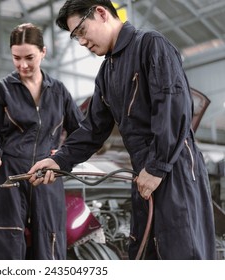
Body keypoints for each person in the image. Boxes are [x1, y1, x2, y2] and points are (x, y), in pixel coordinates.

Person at [28, 0, 216, 260]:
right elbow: (93, 129)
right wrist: (58, 160)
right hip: (143, 171)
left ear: (102, 13)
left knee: (182, 254)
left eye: (81, 32)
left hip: (175, 169)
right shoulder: (107, 71)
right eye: (75, 38)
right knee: (144, 254)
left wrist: (158, 167)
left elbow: (173, 110)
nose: (81, 42)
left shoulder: (151, 45)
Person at [0, 23, 84, 260]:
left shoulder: (59, 92)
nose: (22, 65)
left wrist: (61, 157)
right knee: (7, 242)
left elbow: (81, 133)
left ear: (43, 52)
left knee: (50, 241)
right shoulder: (1, 90)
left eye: (29, 57)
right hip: (8, 175)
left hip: (47, 175)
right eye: (16, 58)